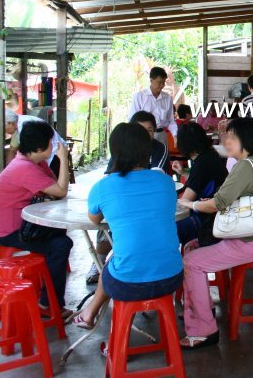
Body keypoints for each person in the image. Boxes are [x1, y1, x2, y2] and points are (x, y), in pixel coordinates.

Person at [177, 118, 253, 349]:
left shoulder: (243, 167)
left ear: (245, 141)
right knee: (192, 247)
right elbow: (223, 199)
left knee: (191, 262)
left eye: (231, 137)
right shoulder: (248, 163)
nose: (225, 140)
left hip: (251, 241)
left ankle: (204, 329)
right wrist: (205, 202)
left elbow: (218, 203)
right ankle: (202, 308)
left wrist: (191, 205)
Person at [73, 123, 183, 329]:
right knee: (121, 259)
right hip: (172, 276)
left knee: (112, 263)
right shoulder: (166, 182)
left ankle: (96, 322)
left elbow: (94, 219)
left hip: (128, 283)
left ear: (115, 151)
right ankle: (90, 315)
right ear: (147, 149)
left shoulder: (104, 186)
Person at [0, 120, 73, 316]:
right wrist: (63, 158)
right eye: (51, 142)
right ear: (39, 147)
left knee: (59, 232)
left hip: (23, 224)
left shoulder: (33, 162)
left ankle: (48, 294)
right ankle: (49, 305)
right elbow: (60, 190)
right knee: (61, 245)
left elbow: (53, 185)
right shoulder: (23, 167)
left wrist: (55, 178)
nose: (54, 146)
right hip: (9, 231)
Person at [172, 122, 228, 246]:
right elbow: (202, 183)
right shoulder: (209, 155)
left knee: (167, 230)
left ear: (185, 144)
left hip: (205, 222)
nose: (174, 139)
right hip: (217, 216)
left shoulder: (201, 164)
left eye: (177, 137)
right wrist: (183, 172)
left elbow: (185, 201)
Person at [105, 111, 169, 174]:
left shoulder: (160, 148)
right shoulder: (123, 148)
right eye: (140, 129)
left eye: (149, 130)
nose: (145, 134)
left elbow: (157, 175)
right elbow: (109, 174)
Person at [128, 66, 177, 147]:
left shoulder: (168, 98)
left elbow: (171, 121)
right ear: (151, 80)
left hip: (161, 136)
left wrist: (175, 136)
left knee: (161, 157)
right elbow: (132, 119)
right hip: (143, 136)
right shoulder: (140, 96)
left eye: (164, 82)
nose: (162, 85)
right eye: (159, 82)